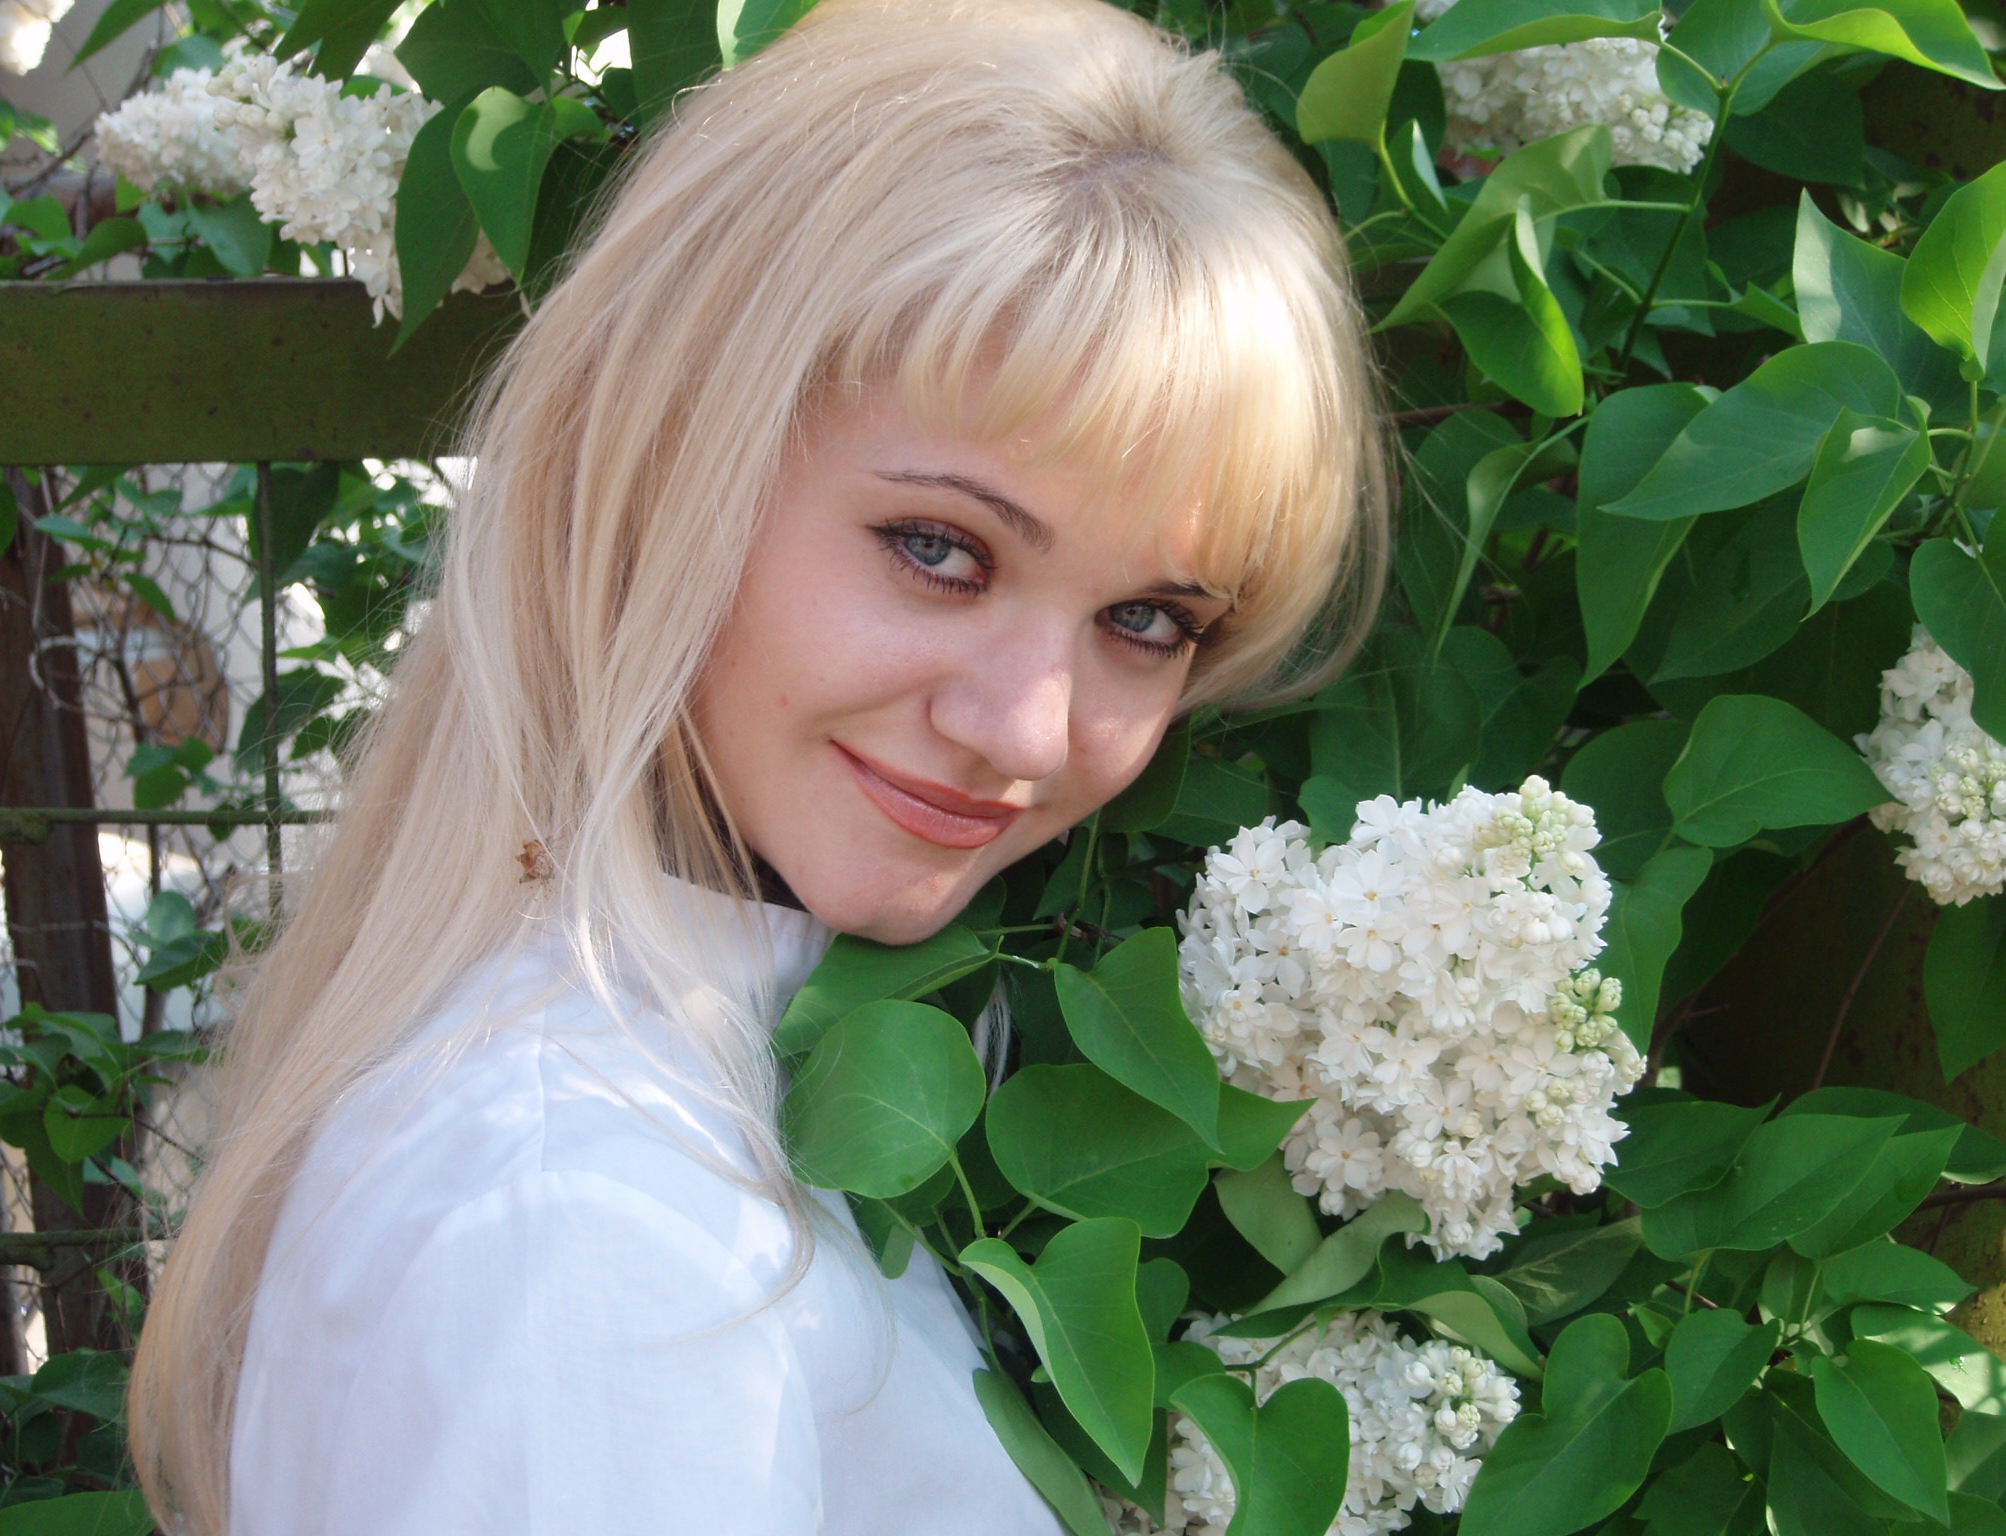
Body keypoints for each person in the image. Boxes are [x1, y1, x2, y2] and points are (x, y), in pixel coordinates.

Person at [126, 0, 1390, 1529]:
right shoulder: (592, 1229)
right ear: (669, 455)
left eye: (1148, 620)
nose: (1027, 731)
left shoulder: (664, 1086)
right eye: (940, 549)